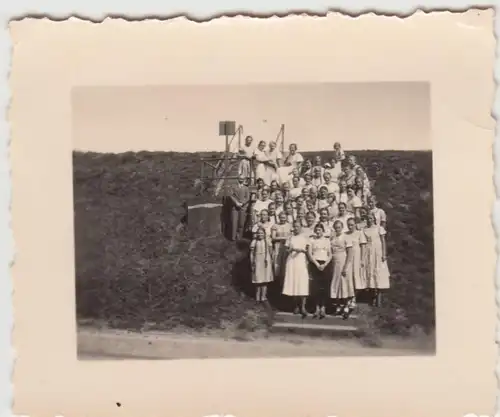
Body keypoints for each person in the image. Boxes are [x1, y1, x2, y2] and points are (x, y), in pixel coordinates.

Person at [282, 221, 311, 317]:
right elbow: (286, 250)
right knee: (293, 282)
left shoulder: (305, 237)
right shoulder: (290, 237)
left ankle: (303, 306)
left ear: (301, 227)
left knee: (302, 283)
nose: (296, 228)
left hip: (301, 260)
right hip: (292, 261)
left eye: (298, 226)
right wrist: (291, 249)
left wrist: (302, 250)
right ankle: (295, 306)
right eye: (294, 226)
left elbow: (308, 250)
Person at [363, 212, 390, 307]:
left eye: (371, 218)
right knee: (370, 272)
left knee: (378, 273)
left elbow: (383, 241)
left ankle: (379, 298)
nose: (369, 220)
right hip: (368, 252)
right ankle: (371, 298)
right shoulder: (364, 229)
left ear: (374, 219)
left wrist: (384, 254)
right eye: (368, 218)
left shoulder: (379, 228)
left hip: (378, 252)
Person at [330, 220, 354, 319]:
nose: (337, 229)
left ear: (342, 227)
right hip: (335, 263)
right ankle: (338, 307)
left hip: (344, 261)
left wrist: (345, 267)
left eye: (339, 227)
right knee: (337, 285)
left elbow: (350, 253)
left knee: (345, 285)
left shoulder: (346, 238)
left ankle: (347, 307)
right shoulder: (332, 238)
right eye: (336, 227)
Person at [307, 223, 333, 319]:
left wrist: (325, 264)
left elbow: (330, 254)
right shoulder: (311, 240)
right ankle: (316, 308)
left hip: (325, 264)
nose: (318, 232)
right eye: (317, 230)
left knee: (324, 287)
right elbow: (309, 254)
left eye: (320, 230)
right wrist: (317, 264)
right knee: (315, 287)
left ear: (323, 231)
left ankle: (323, 308)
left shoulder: (327, 240)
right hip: (315, 264)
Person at [345, 217, 368, 304]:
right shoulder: (345, 234)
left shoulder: (359, 233)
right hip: (347, 258)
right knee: (348, 277)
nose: (350, 227)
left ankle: (354, 298)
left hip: (357, 258)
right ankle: (348, 297)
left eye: (351, 225)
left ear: (355, 225)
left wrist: (362, 259)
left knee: (356, 277)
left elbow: (363, 247)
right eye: (348, 225)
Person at [250, 227, 274, 302]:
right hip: (257, 260)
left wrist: (271, 260)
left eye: (262, 233)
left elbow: (271, 252)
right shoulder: (254, 242)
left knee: (265, 279)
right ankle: (257, 296)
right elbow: (251, 253)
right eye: (259, 233)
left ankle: (263, 296)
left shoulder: (267, 241)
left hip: (265, 260)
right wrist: (252, 261)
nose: (260, 234)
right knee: (258, 278)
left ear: (264, 234)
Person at [271, 211, 293, 279]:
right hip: (278, 246)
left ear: (286, 218)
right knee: (277, 264)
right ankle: (276, 281)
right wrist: (284, 238)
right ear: (279, 218)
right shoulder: (275, 226)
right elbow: (273, 237)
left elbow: (292, 236)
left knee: (285, 263)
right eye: (281, 217)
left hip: (286, 246)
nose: (282, 219)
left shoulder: (290, 225)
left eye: (284, 218)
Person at [229, 175, 251, 241]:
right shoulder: (233, 186)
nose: (241, 179)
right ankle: (233, 237)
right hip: (235, 207)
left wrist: (242, 203)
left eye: (242, 178)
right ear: (238, 179)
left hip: (242, 207)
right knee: (234, 222)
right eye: (240, 178)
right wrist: (236, 202)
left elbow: (247, 197)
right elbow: (231, 195)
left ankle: (239, 237)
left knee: (241, 223)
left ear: (244, 179)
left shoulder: (246, 188)